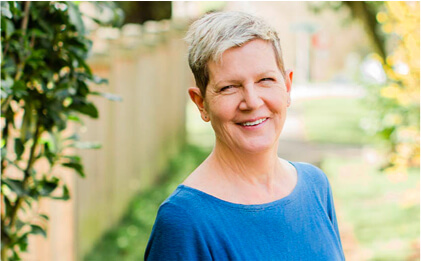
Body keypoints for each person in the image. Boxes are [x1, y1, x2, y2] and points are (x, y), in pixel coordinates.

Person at [145, 11, 345, 261]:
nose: (251, 101)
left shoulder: (315, 186)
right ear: (201, 103)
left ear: (287, 87)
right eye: (229, 87)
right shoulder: (185, 220)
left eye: (265, 80)